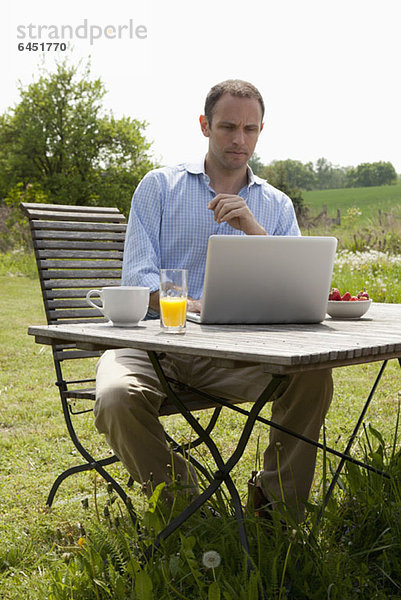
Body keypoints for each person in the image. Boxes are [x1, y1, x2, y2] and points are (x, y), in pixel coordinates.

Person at [94, 79, 333, 522]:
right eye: (227, 127)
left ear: (262, 130)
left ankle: (276, 510)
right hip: (155, 346)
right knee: (114, 395)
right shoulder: (160, 187)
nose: (239, 139)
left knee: (312, 375)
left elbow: (296, 286)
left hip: (239, 356)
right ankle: (188, 505)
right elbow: (139, 278)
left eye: (250, 129)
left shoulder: (276, 205)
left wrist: (254, 231)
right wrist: (189, 303)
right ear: (205, 125)